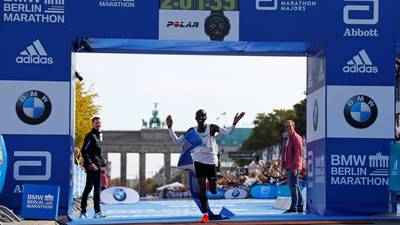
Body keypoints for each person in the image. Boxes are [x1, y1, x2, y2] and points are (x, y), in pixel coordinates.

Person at [167, 110, 244, 223]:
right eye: (199, 116)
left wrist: (234, 123)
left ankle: (213, 187)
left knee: (213, 190)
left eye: (203, 116)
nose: (201, 118)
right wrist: (170, 127)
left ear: (206, 118)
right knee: (202, 190)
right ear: (195, 118)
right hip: (198, 161)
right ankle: (205, 214)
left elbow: (228, 132)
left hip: (211, 161)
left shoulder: (212, 128)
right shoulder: (191, 131)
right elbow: (176, 141)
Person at [80, 117, 107, 219]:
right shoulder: (90, 136)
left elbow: (95, 153)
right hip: (93, 167)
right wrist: (91, 163)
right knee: (96, 188)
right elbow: (84, 151)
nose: (98, 124)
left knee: (88, 188)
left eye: (99, 123)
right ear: (92, 124)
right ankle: (97, 212)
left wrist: (102, 160)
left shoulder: (97, 136)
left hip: (97, 165)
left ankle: (83, 212)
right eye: (96, 123)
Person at [280, 120, 304, 213]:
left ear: (293, 127)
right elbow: (284, 153)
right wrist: (283, 165)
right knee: (295, 186)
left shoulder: (296, 138)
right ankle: (300, 206)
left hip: (294, 166)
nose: (288, 128)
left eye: (290, 126)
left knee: (293, 186)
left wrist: (295, 167)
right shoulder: (287, 138)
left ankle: (294, 207)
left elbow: (298, 154)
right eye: (286, 126)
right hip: (288, 165)